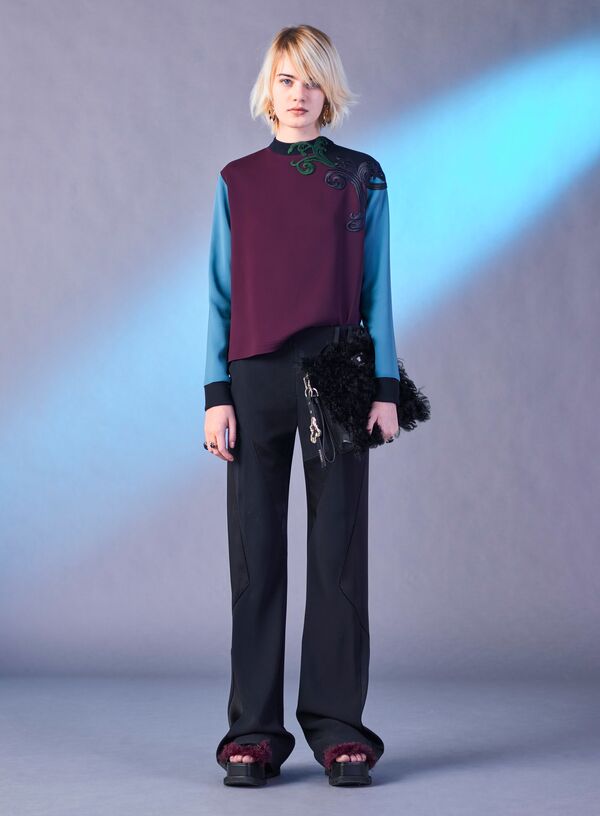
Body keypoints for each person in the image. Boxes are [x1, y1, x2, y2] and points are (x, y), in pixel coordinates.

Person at [203, 24, 400, 787]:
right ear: (269, 88)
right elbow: (219, 295)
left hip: (339, 377)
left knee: (338, 554)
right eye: (287, 79)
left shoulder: (360, 177)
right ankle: (252, 732)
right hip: (254, 380)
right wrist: (215, 395)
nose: (299, 93)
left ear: (329, 90)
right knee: (255, 558)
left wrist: (385, 388)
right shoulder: (237, 180)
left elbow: (378, 287)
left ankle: (339, 729)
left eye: (313, 79)